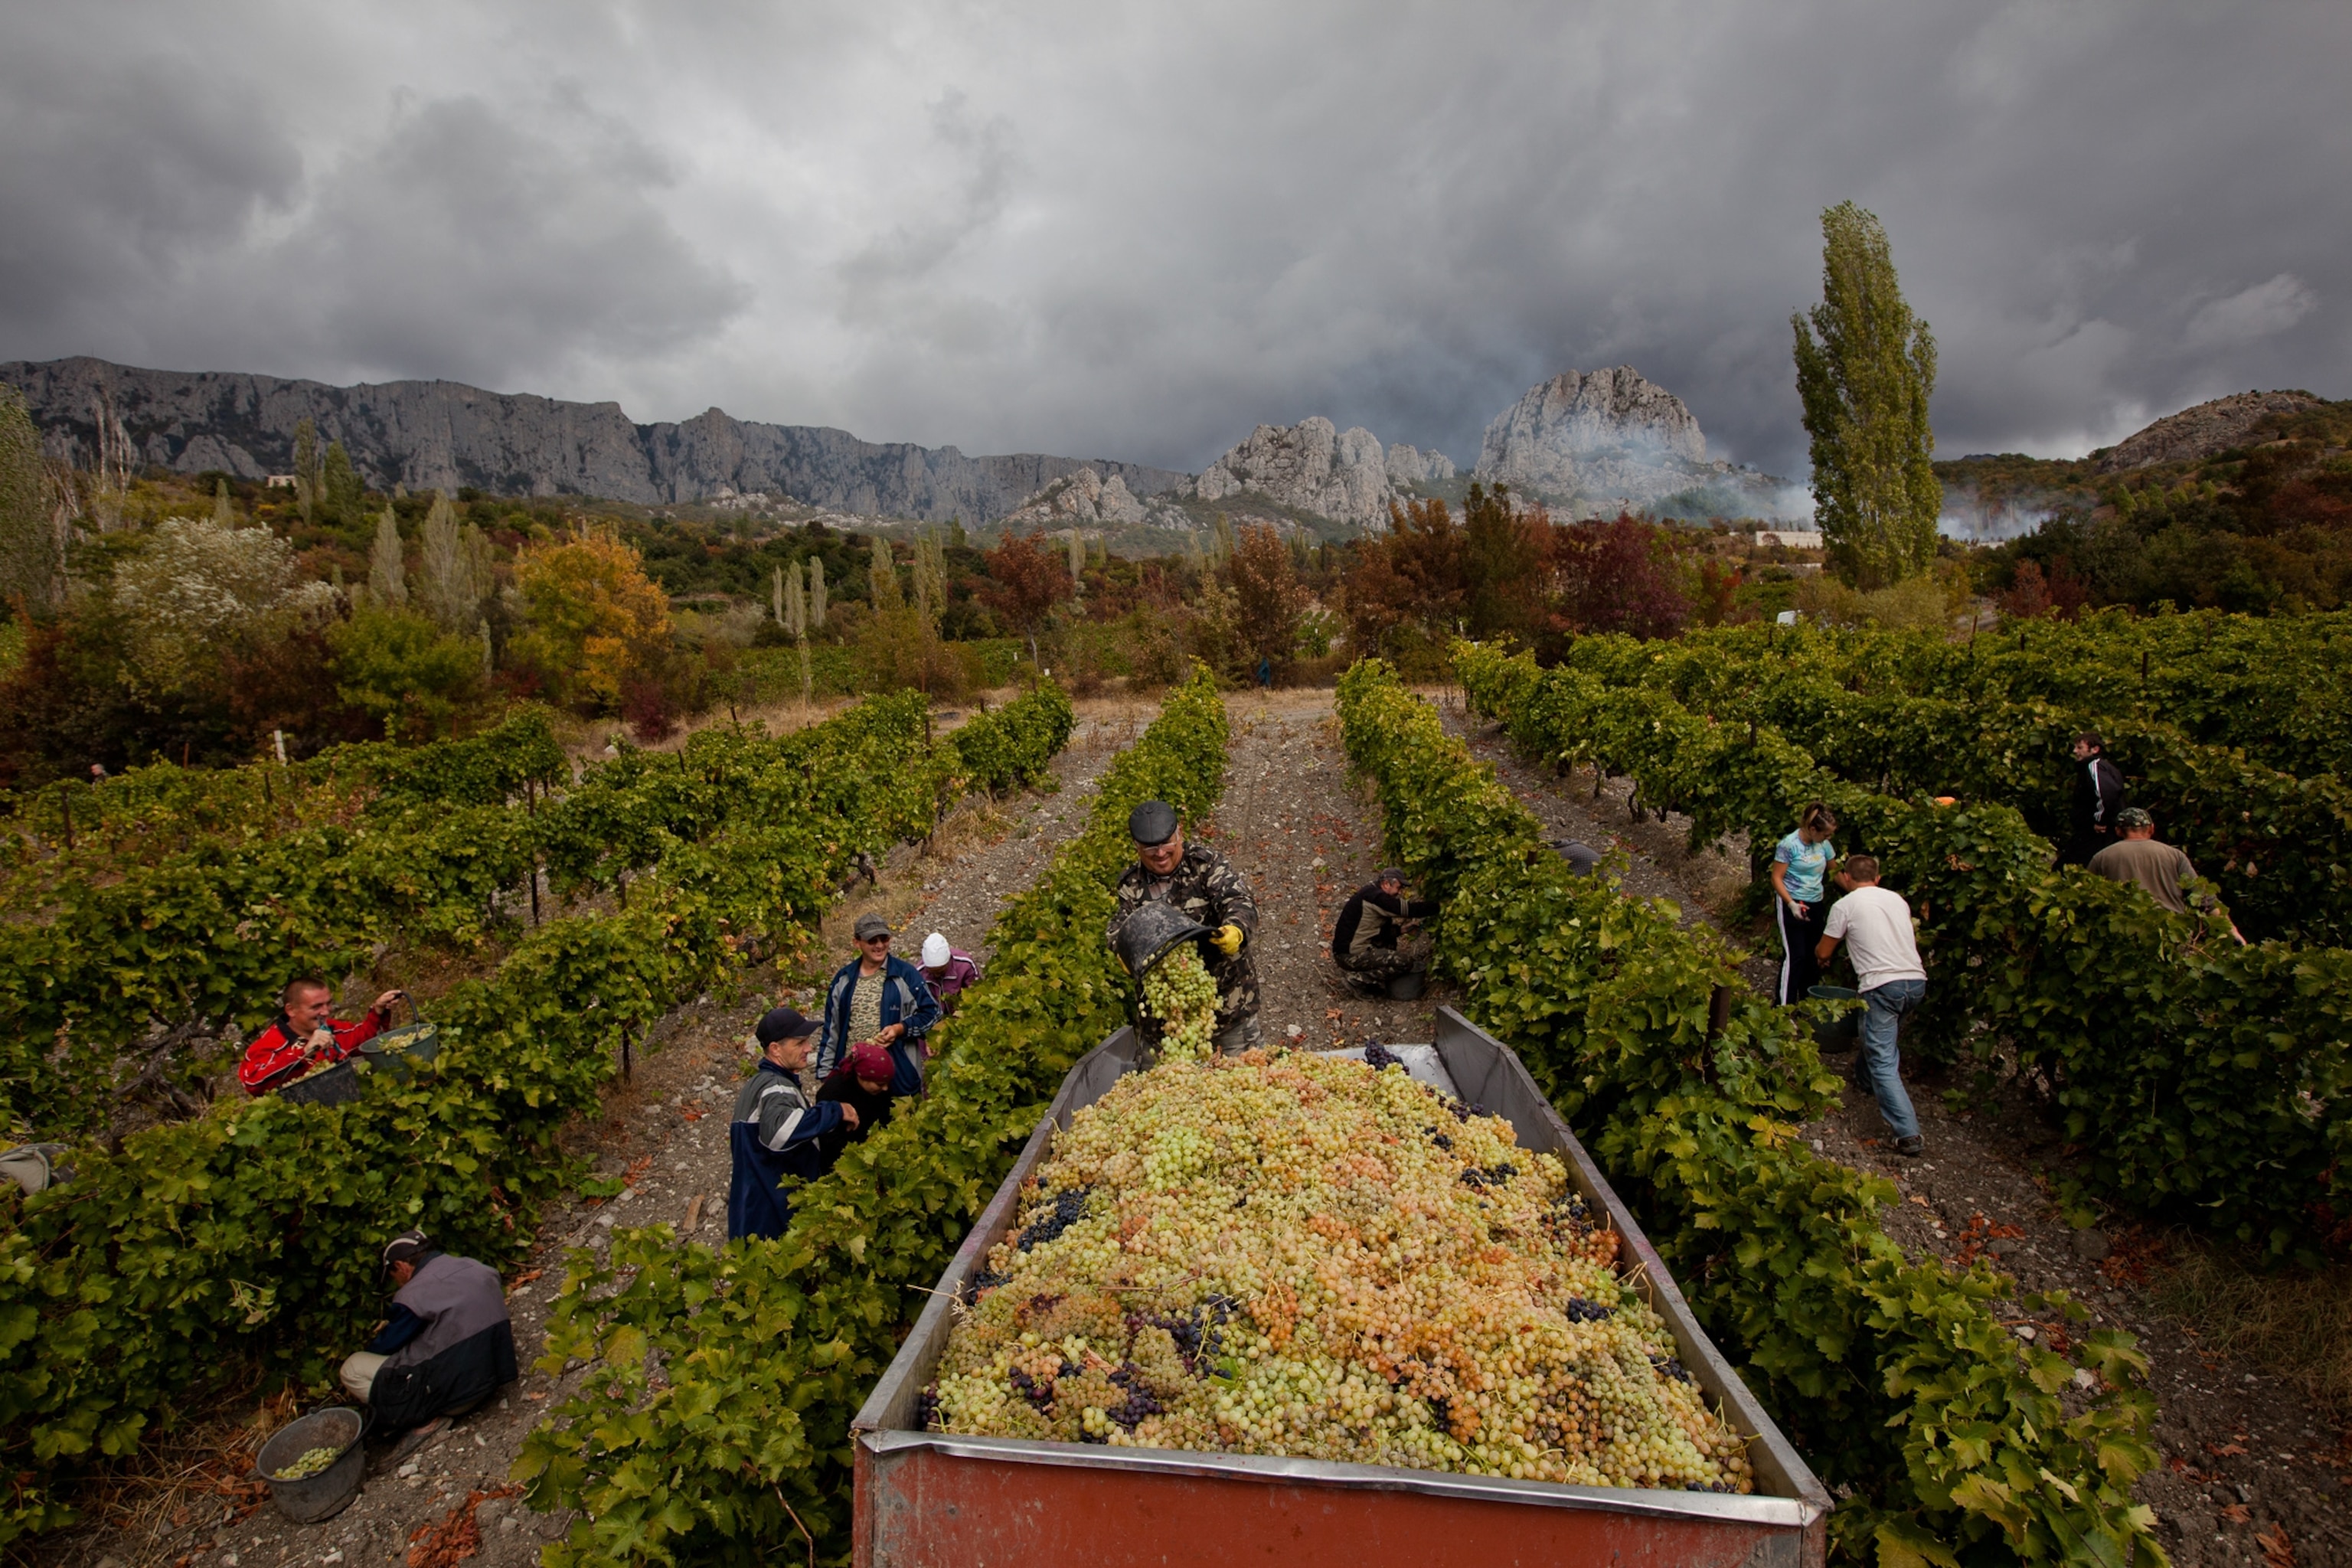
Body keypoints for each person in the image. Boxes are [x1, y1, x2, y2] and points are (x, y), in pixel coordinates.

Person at [1110, 799, 1260, 1053]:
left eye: (1167, 843)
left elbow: (1238, 899)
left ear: (1179, 833)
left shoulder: (1206, 865)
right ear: (1136, 847)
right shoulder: (1131, 884)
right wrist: (1122, 948)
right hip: (1169, 1022)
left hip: (1227, 1007)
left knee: (1245, 1076)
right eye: (1150, 848)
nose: (1160, 853)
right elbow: (1120, 925)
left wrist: (1236, 927)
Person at [340, 1230, 518, 1438]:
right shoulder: (475, 1266)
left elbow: (386, 1346)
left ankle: (417, 1417)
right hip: (495, 1376)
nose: (396, 1282)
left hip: (460, 1399)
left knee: (352, 1367)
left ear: (400, 1266)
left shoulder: (412, 1295)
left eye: (393, 1276)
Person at [1813, 855, 1928, 1158]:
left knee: (1883, 1059)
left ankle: (1908, 1134)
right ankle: (1864, 1081)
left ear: (1847, 879)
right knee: (1880, 1038)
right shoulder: (1897, 900)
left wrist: (1823, 957)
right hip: (1915, 982)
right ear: (1877, 879)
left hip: (1882, 985)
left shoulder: (1846, 905)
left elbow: (1824, 949)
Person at [729, 1006, 856, 1240]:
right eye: (799, 1043)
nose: (809, 1048)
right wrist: (834, 1111)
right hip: (771, 1217)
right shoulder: (776, 1088)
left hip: (752, 1209)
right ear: (775, 1049)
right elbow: (780, 1133)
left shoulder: (757, 1084)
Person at [817, 914, 939, 1094]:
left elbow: (932, 1014)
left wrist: (900, 1029)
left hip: (897, 1077)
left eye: (884, 939)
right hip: (853, 1077)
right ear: (857, 942)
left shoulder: (905, 974)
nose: (880, 945)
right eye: (872, 940)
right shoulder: (843, 980)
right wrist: (826, 1075)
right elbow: (831, 1030)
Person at [2089, 807, 2246, 942]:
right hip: (2172, 936)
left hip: (2125, 938)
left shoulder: (2102, 857)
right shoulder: (2174, 855)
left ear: (2118, 830)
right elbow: (2204, 898)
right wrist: (2233, 932)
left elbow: (2088, 899)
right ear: (2151, 828)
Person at [239, 979, 407, 1096]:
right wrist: (304, 1052)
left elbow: (364, 1039)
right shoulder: (270, 1044)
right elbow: (253, 1083)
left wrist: (378, 1010)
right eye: (317, 1007)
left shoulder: (331, 1029)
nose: (326, 1012)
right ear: (291, 1010)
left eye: (328, 1003)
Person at [1769, 803, 1838, 1007]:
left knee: (1812, 956)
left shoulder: (1824, 845)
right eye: (1825, 835)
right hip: (1793, 902)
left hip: (1815, 902)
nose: (1828, 839)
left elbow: (1836, 873)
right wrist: (1790, 903)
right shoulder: (1788, 845)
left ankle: (1807, 1005)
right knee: (1795, 956)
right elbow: (1776, 878)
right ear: (1813, 829)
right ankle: (1783, 1006)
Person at [1331, 868, 1439, 991]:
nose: (1399, 892)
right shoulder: (1377, 898)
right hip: (1350, 956)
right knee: (1404, 962)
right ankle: (1358, 979)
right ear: (1387, 884)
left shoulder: (1370, 892)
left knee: (1390, 942)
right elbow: (1409, 910)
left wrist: (1401, 930)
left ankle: (1373, 981)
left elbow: (1376, 931)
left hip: (1345, 951)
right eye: (1398, 888)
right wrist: (1439, 906)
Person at [815, 1040, 899, 1170]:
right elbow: (828, 1138)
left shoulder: (882, 1089)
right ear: (862, 1076)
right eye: (880, 1084)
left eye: (887, 1083)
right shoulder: (832, 1092)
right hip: (841, 1164)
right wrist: (860, 1156)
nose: (886, 1088)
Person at [2066, 731, 2127, 866]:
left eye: (2080, 748)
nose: (2075, 751)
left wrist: (2100, 820)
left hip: (2098, 832)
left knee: (2074, 868)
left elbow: (2107, 793)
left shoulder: (2095, 766)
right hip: (2094, 831)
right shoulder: (2094, 767)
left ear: (2095, 749)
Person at [918, 931, 984, 1017]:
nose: (937, 975)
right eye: (932, 972)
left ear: (949, 961)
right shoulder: (918, 973)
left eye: (941, 971)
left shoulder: (965, 964)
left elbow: (976, 991)